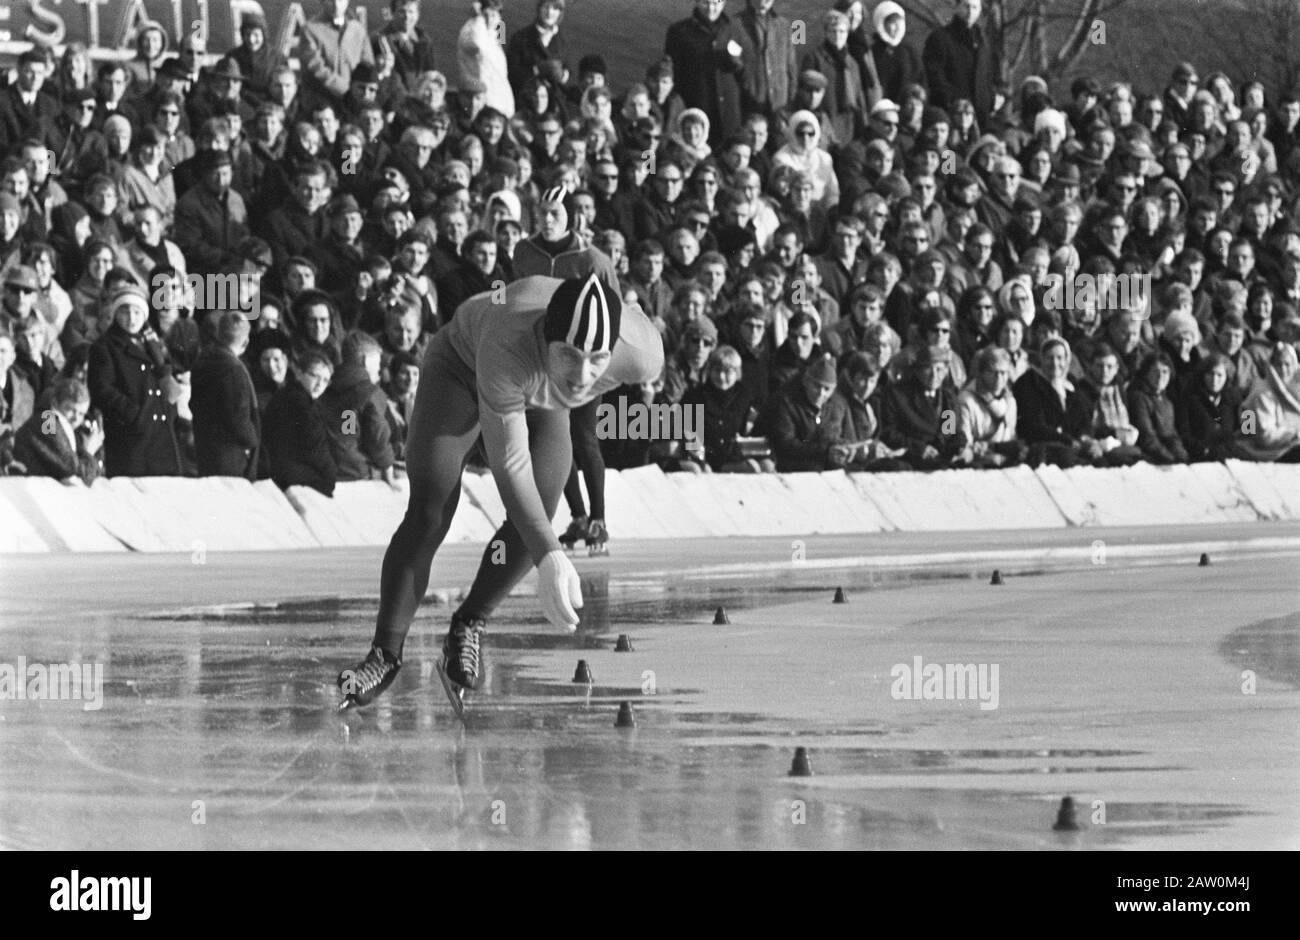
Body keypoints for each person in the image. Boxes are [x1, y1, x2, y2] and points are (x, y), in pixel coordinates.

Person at [336, 273, 662, 707]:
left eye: (597, 359)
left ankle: (470, 622)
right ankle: (385, 653)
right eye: (569, 354)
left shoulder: (641, 355)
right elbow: (511, 464)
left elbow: (600, 271)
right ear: (546, 336)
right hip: (462, 368)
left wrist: (543, 542)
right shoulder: (509, 342)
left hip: (543, 394)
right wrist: (549, 552)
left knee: (540, 510)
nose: (583, 375)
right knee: (432, 506)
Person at [86, 284, 183, 476]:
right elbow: (101, 389)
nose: (132, 318)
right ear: (115, 314)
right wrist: (134, 413)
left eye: (137, 312)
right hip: (131, 437)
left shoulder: (152, 344)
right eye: (125, 311)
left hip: (159, 435)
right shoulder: (105, 346)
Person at [318, 330, 399, 484]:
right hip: (357, 471)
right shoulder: (371, 392)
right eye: (378, 360)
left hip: (329, 469)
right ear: (365, 360)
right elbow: (378, 437)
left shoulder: (327, 387)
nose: (379, 368)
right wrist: (388, 469)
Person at [664, 0, 746, 147]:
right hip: (697, 105)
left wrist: (736, 63)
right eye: (705, 3)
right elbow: (674, 74)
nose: (711, 8)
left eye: (716, 3)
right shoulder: (679, 31)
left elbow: (745, 71)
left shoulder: (736, 28)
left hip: (729, 111)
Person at [190, 312, 260, 479]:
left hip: (206, 452)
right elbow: (238, 420)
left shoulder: (202, 361)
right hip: (231, 458)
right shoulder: (234, 369)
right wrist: (254, 440)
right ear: (245, 341)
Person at [263, 349, 339, 493]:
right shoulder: (302, 405)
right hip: (290, 476)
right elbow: (316, 449)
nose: (319, 385)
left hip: (279, 469)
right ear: (299, 373)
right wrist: (332, 475)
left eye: (325, 380)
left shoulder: (288, 394)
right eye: (315, 376)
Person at [12, 376, 102, 484]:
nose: (76, 418)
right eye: (70, 409)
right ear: (55, 403)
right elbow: (71, 469)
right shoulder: (47, 421)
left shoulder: (65, 427)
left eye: (81, 414)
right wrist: (89, 452)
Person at [922, 0, 999, 123]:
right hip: (951, 114)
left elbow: (988, 76)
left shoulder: (982, 40)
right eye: (966, 6)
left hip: (980, 116)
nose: (970, 12)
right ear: (956, 7)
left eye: (974, 7)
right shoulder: (940, 38)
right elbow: (934, 75)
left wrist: (991, 99)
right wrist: (952, 102)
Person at [298, 0, 375, 110]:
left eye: (340, 0)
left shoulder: (357, 29)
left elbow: (367, 65)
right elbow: (314, 65)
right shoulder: (310, 29)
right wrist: (343, 89)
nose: (336, 5)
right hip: (320, 101)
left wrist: (358, 90)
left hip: (353, 102)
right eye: (330, 1)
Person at [458, 0, 516, 118]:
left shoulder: (497, 30)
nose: (490, 19)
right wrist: (478, 17)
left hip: (502, 101)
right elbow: (479, 45)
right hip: (482, 101)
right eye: (486, 15)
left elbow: (501, 47)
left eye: (494, 15)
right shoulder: (469, 31)